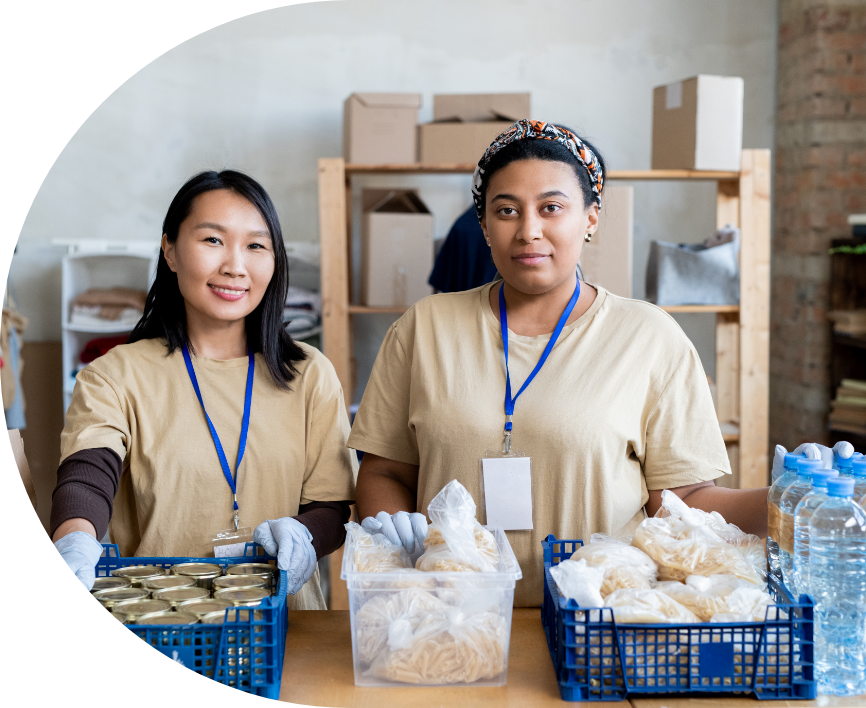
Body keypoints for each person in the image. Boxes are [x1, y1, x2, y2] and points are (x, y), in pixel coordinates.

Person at [348, 120, 855, 606]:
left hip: (601, 622)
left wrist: (788, 498)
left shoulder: (650, 337)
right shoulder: (423, 329)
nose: (528, 230)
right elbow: (384, 471)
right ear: (483, 225)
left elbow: (683, 502)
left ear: (590, 218)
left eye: (551, 207)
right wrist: (406, 549)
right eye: (506, 211)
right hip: (454, 617)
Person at [51, 171, 357, 609]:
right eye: (213, 240)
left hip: (283, 630)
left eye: (256, 245)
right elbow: (87, 475)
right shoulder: (113, 375)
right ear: (170, 250)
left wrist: (306, 536)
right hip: (157, 623)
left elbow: (332, 504)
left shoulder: (309, 373)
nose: (235, 265)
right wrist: (75, 542)